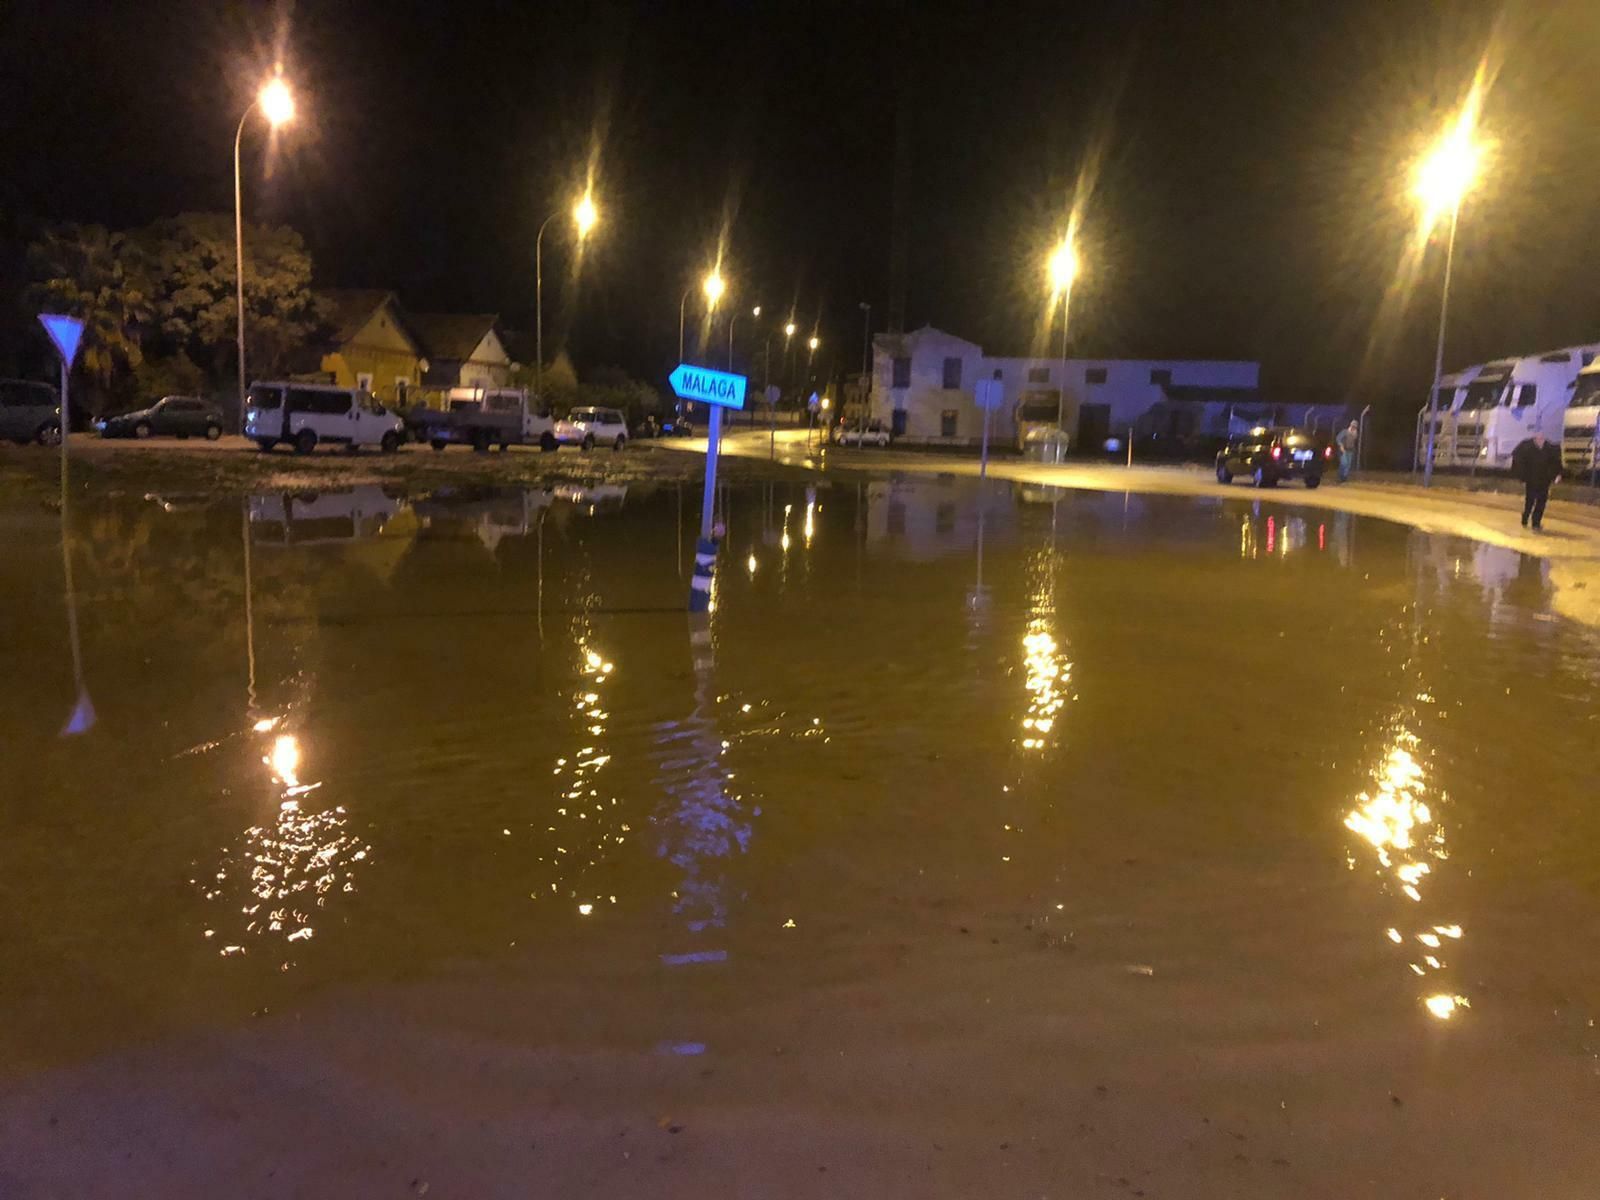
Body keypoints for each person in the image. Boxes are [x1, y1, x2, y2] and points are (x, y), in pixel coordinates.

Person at [1510, 431, 1563, 530]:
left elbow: (1556, 462)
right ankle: (1525, 517)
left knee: (1541, 501)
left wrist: (1557, 474)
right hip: (1531, 479)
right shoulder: (1526, 446)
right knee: (1530, 500)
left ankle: (1536, 522)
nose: (1540, 436)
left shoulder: (1549, 448)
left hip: (1544, 480)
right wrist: (1521, 476)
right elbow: (1517, 458)